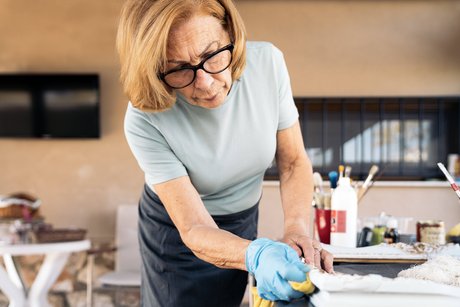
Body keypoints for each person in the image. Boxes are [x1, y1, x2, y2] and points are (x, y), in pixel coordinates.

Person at [117, 0, 334, 306]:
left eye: (212, 55)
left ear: (231, 32)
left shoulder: (268, 64)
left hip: (241, 217)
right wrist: (256, 253)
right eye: (178, 69)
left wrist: (296, 227)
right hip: (177, 232)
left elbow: (293, 162)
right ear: (154, 69)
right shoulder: (143, 118)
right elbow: (195, 228)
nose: (205, 83)